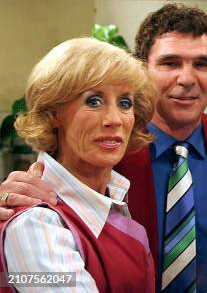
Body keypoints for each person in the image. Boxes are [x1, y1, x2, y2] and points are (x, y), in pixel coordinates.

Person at [0, 5, 207, 293]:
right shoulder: (97, 161)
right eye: (170, 63)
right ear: (145, 69)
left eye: (201, 64)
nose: (187, 79)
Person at [0, 38, 157, 291]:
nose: (114, 119)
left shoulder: (112, 202)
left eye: (125, 103)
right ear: (53, 113)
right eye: (93, 101)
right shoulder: (36, 225)